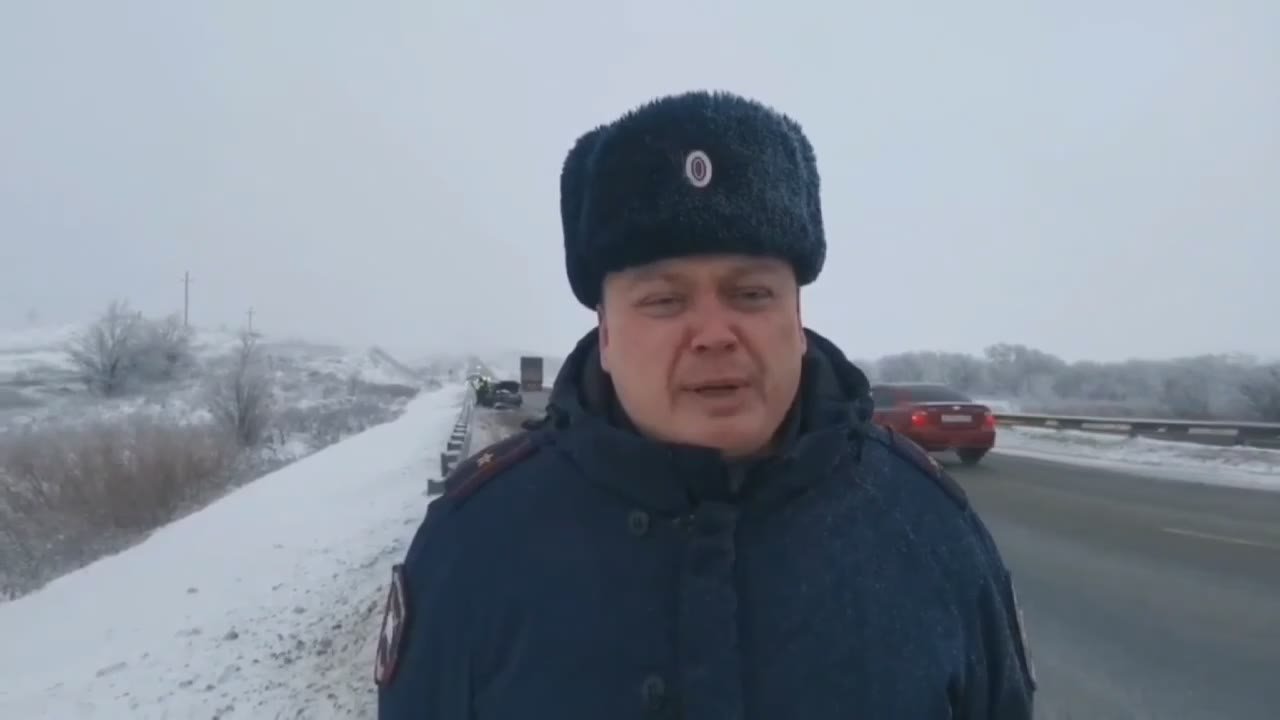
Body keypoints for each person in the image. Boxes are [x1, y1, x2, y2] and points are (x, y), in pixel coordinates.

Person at [375, 90, 1036, 719]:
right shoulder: (475, 545)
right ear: (605, 335)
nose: (716, 334)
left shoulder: (930, 528)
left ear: (797, 319)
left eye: (751, 295)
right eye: (665, 301)